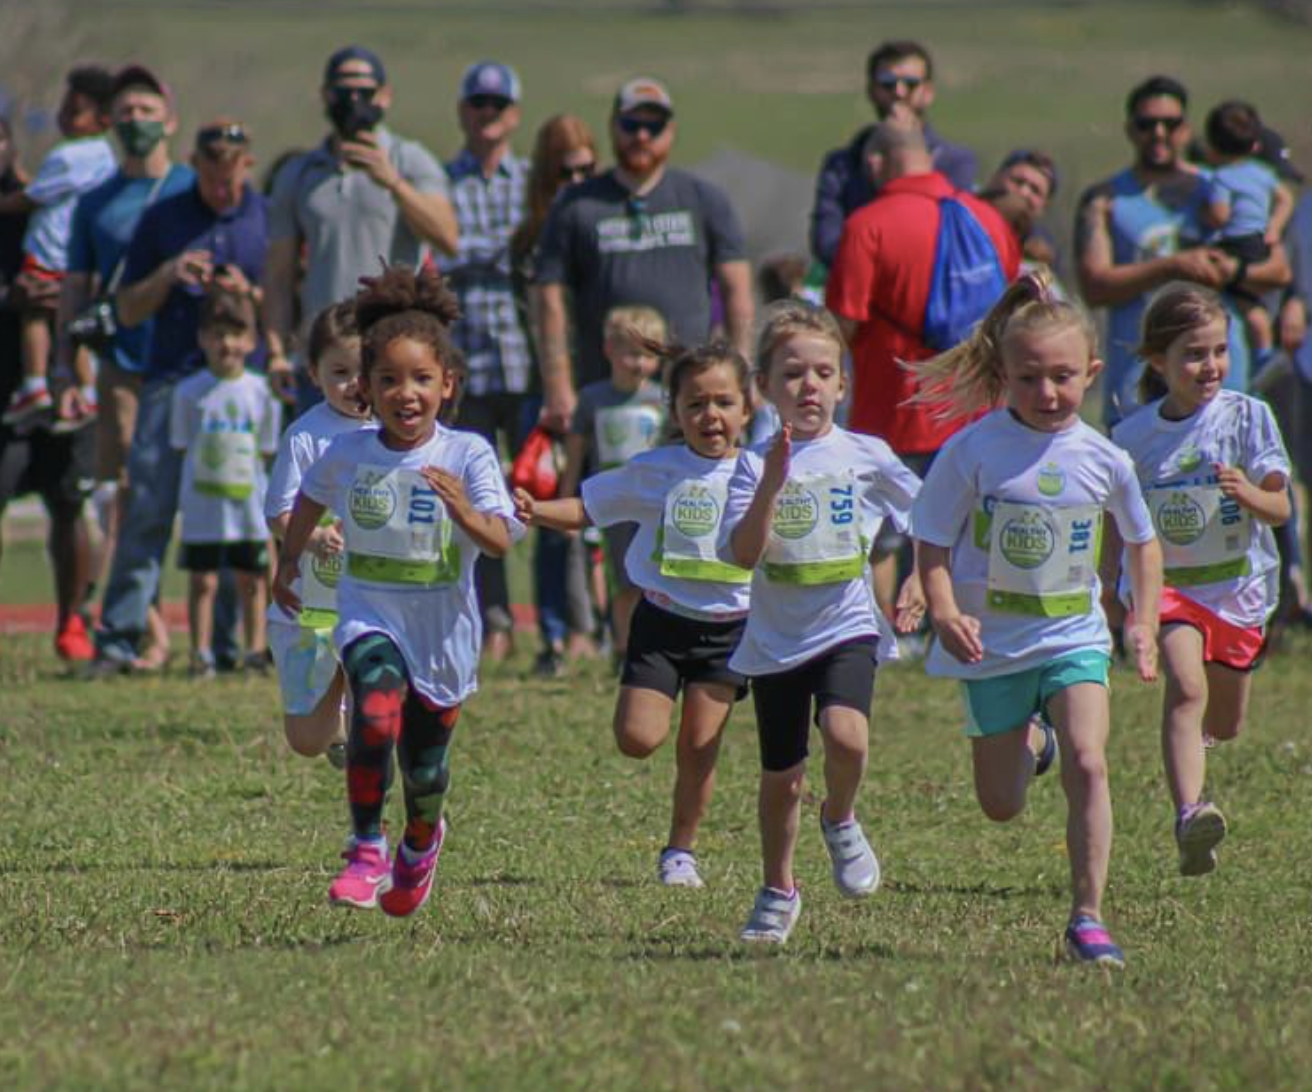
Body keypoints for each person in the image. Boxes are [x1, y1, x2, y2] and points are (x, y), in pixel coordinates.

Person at [909, 271, 1163, 968]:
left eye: (1062, 377)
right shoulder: (974, 451)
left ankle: (1088, 918)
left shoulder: (1106, 459)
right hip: (992, 647)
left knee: (1090, 760)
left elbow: (1142, 541)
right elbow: (929, 538)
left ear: (1092, 372)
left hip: (1073, 637)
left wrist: (1139, 621)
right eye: (1028, 379)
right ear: (1003, 374)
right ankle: (1032, 743)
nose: (1047, 394)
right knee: (1001, 804)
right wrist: (944, 607)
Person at [273, 267, 522, 917]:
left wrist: (465, 513)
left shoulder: (467, 454)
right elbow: (310, 496)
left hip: (442, 635)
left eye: (419, 380)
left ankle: (419, 841)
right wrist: (289, 560)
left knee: (425, 771)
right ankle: (364, 848)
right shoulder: (351, 453)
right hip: (367, 614)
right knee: (375, 709)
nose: (404, 394)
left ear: (447, 384)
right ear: (367, 388)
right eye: (387, 380)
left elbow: (499, 539)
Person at [514, 340, 754, 888]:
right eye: (695, 404)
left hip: (731, 632)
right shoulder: (656, 469)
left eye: (723, 402)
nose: (709, 416)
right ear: (674, 413)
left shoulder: (763, 473)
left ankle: (680, 852)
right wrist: (535, 510)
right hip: (662, 624)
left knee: (698, 745)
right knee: (637, 738)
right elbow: (589, 506)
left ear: (747, 407)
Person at [719, 301, 921, 945]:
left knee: (848, 735)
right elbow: (744, 555)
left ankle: (840, 817)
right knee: (782, 780)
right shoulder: (751, 465)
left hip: (848, 623)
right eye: (792, 374)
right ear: (765, 388)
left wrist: (920, 576)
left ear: (843, 383)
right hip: (777, 639)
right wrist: (772, 484)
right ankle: (778, 890)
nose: (809, 386)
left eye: (822, 372)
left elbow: (930, 518)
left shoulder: (866, 453)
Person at [1108, 283, 1290, 877]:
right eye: (1193, 353)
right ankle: (1190, 813)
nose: (1209, 366)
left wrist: (1250, 495)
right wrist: (1119, 595)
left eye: (1218, 350)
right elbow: (1119, 523)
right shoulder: (1132, 438)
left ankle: (1199, 747)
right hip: (1170, 590)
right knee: (1185, 688)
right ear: (1158, 363)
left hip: (1238, 590)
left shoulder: (1247, 415)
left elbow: (1283, 510)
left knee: (1225, 722)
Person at [826, 117, 1019, 620]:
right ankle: (971, 617)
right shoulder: (986, 218)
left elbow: (841, 326)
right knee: (972, 525)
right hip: (980, 407)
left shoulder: (866, 224)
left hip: (896, 408)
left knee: (884, 534)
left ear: (875, 163)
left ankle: (887, 626)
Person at [95, 118, 268, 672]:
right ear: (195, 164)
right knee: (148, 505)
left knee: (238, 510)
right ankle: (120, 637)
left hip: (243, 385)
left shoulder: (264, 219)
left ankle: (223, 646)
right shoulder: (163, 219)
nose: (221, 187)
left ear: (248, 164)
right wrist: (169, 273)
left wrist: (251, 295)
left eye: (231, 175)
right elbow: (125, 309)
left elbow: (285, 302)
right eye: (211, 174)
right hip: (173, 379)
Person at [61, 65, 195, 666]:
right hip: (122, 370)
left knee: (211, 497)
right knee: (128, 502)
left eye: (147, 109)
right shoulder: (94, 204)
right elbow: (77, 289)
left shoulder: (195, 188)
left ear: (169, 118)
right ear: (111, 123)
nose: (136, 121)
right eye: (126, 112)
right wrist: (64, 366)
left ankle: (222, 636)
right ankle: (144, 631)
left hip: (192, 368)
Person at [535, 77, 753, 435]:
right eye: (631, 125)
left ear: (672, 131)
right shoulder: (576, 205)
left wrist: (742, 372)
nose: (641, 136)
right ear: (613, 127)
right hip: (606, 394)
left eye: (654, 126)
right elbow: (549, 300)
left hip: (695, 396)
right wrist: (558, 386)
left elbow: (737, 293)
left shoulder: (703, 199)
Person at [1075, 76, 1290, 424]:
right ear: (1130, 130)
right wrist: (1172, 266)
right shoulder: (1106, 200)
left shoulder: (1222, 186)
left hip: (1223, 385)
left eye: (1170, 123)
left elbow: (1278, 270)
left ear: (1186, 130)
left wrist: (1233, 273)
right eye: (1147, 124)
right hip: (1138, 390)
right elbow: (1095, 287)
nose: (1159, 133)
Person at [263, 45, 458, 412]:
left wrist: (394, 183)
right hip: (326, 355)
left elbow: (447, 237)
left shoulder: (409, 159)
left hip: (394, 351)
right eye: (343, 91)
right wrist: (276, 351)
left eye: (365, 92)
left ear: (384, 97)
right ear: (325, 96)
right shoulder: (300, 173)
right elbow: (278, 274)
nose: (354, 100)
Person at [0, 115, 96, 662]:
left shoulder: (44, 207)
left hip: (58, 393)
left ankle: (72, 621)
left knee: (68, 507)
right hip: (5, 395)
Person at [444, 61, 530, 663]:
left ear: (514, 115)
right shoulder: (440, 181)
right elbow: (439, 249)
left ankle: (562, 624)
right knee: (474, 503)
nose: (487, 114)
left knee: (536, 493)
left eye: (497, 105)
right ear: (463, 112)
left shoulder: (534, 182)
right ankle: (491, 620)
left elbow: (539, 256)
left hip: (527, 366)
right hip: (465, 367)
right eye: (478, 103)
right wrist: (500, 254)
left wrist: (466, 256)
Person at [511, 114, 602, 674]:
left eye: (588, 170)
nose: (577, 182)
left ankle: (607, 629)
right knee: (547, 514)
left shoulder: (602, 222)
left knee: (617, 512)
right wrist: (556, 388)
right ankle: (552, 635)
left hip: (608, 389)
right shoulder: (531, 240)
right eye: (565, 172)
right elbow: (538, 321)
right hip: (548, 396)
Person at [266, 301, 373, 766]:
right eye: (340, 371)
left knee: (375, 661)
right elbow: (278, 511)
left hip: (376, 591)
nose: (356, 384)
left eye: (366, 370)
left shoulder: (396, 430)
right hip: (315, 595)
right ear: (314, 374)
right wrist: (311, 539)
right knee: (306, 739)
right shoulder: (306, 435)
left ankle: (375, 736)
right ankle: (333, 716)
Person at [169, 287, 280, 676]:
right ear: (202, 339)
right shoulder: (188, 392)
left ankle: (254, 651)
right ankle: (201, 655)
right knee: (204, 581)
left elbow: (266, 447)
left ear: (251, 340)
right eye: (217, 334)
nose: (226, 344)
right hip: (203, 506)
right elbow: (182, 444)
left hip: (248, 506)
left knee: (252, 580)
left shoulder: (263, 392)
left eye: (236, 334)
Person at [0, 65, 116, 427]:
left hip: (50, 248)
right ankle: (88, 390)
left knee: (36, 315)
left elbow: (33, 196)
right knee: (73, 325)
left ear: (102, 118)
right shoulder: (105, 158)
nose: (64, 117)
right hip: (79, 256)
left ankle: (35, 384)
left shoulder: (68, 155)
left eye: (75, 110)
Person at [809, 39, 977, 269]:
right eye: (887, 83)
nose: (899, 92)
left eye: (910, 83)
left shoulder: (955, 163)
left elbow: (954, 241)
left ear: (928, 92)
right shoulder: (843, 165)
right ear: (871, 91)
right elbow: (826, 243)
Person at [560, 305, 667, 659]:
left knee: (653, 576)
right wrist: (566, 496)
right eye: (632, 354)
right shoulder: (593, 398)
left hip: (654, 503)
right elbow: (576, 452)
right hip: (612, 504)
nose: (639, 364)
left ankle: (653, 644)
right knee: (621, 578)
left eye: (649, 355)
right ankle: (623, 647)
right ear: (609, 350)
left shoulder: (663, 398)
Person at [1200, 100, 1295, 368]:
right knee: (1256, 302)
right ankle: (1265, 350)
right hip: (1259, 240)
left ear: (1211, 147)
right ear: (1255, 146)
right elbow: (1285, 199)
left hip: (1236, 243)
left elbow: (1220, 216)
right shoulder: (1263, 174)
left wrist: (1206, 214)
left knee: (1244, 303)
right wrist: (1274, 227)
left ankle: (1262, 354)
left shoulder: (1221, 177)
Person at [982, 149, 1062, 273]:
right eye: (1017, 181)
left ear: (1044, 207)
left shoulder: (1042, 247)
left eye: (1035, 190)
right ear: (995, 178)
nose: (1023, 192)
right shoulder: (962, 213)